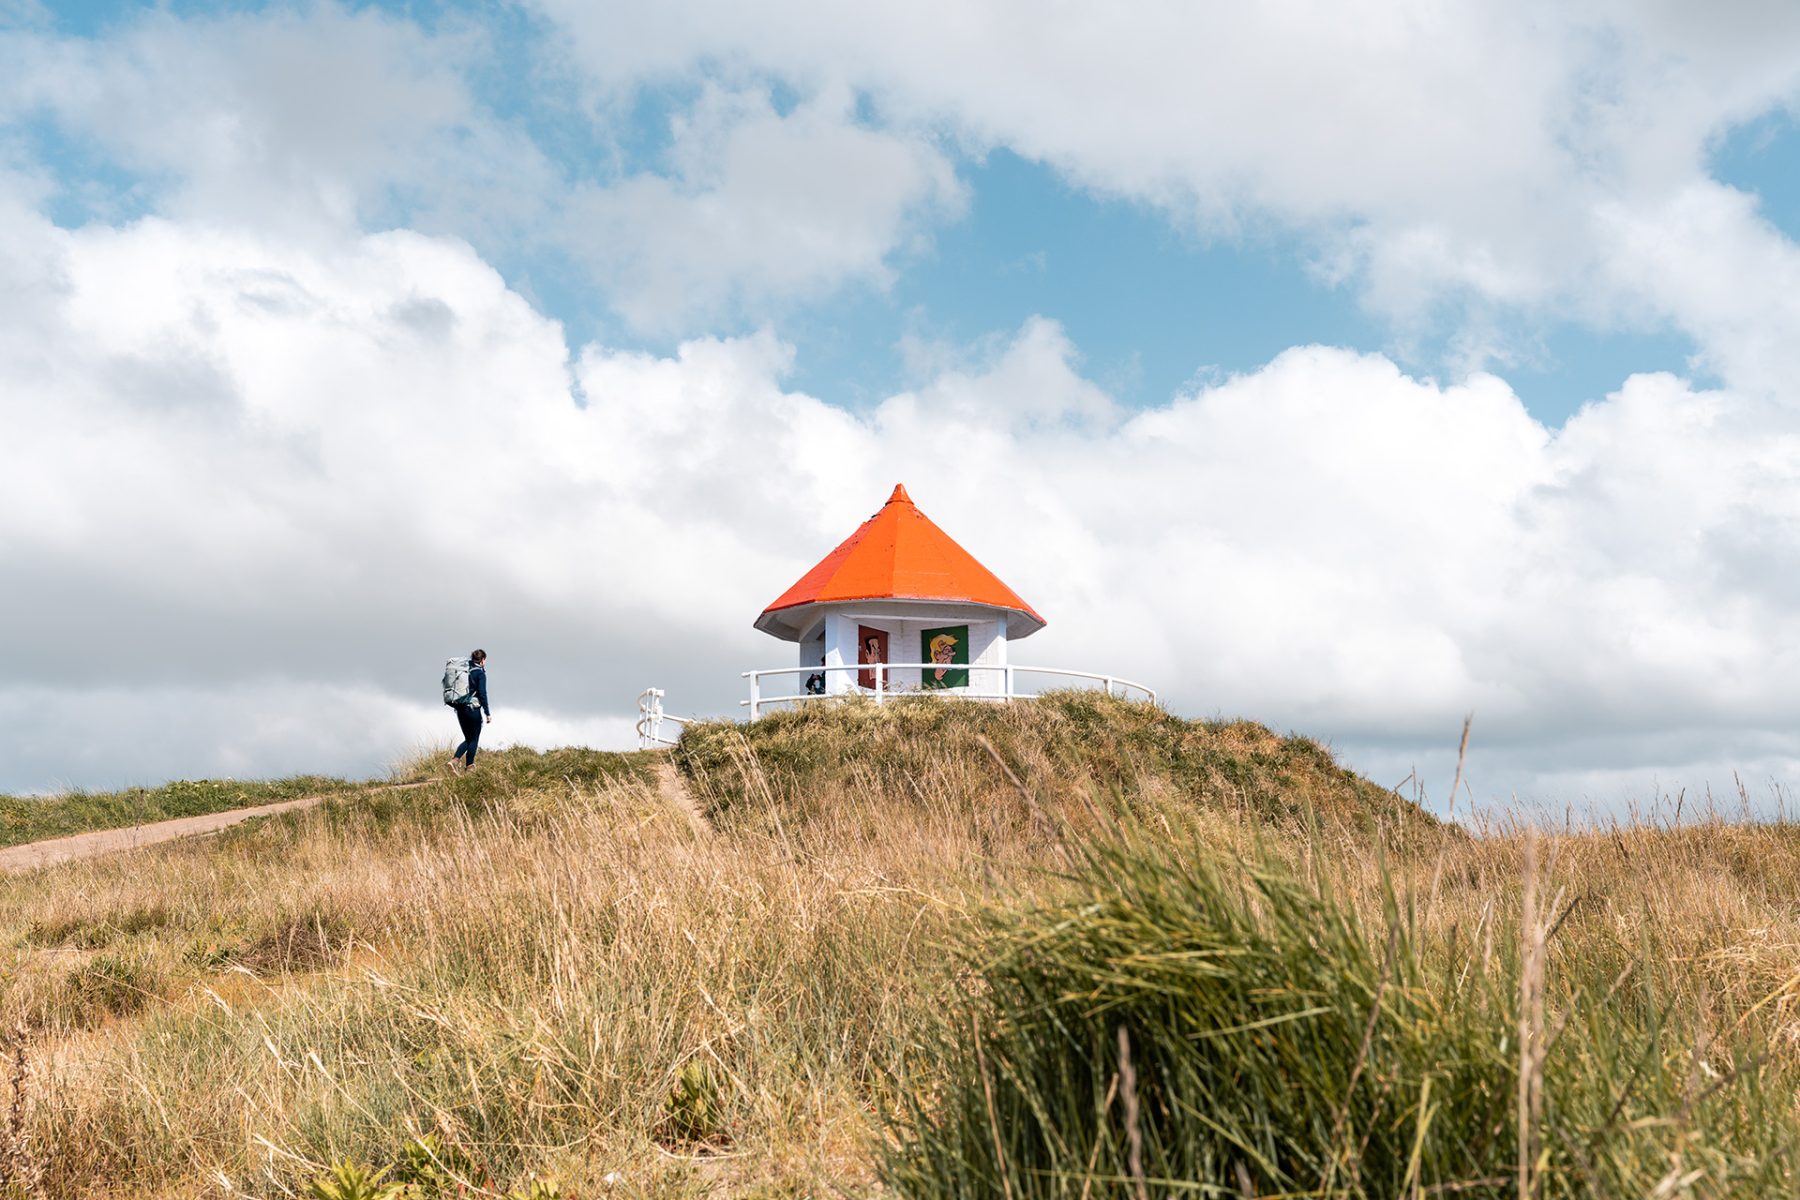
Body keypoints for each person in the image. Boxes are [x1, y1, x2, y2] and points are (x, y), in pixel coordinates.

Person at [450, 649, 491, 771]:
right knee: (474, 738)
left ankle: (456, 761)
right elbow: (482, 694)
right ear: (482, 660)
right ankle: (468, 767)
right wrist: (487, 713)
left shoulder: (464, 671)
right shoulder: (480, 674)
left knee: (469, 738)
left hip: (460, 709)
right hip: (473, 709)